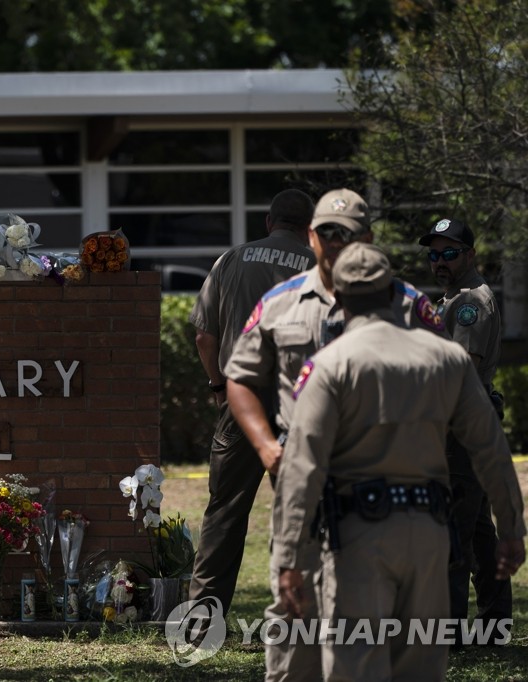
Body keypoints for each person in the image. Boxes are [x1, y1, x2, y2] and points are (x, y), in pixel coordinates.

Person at [272, 242, 525, 680]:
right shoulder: (447, 359)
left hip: (358, 535)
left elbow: (302, 468)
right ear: (394, 294)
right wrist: (512, 528)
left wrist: (292, 554)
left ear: (340, 299)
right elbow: (490, 449)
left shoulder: (330, 365)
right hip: (427, 537)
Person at [224, 188, 445, 681]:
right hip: (302, 486)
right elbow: (238, 377)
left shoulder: (407, 304)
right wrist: (265, 445)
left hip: (385, 491)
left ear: (367, 238)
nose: (335, 241)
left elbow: (448, 377)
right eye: (326, 232)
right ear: (310, 236)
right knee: (295, 620)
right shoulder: (280, 303)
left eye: (346, 234)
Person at [186, 188, 315, 617]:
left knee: (224, 510)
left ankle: (202, 620)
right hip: (302, 404)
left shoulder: (230, 260)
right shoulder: (321, 267)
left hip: (241, 403)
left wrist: (219, 387)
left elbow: (204, 335)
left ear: (268, 222)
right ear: (309, 227)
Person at [418, 218, 510, 638]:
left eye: (449, 253)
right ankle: (493, 624)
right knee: (475, 527)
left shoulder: (470, 301)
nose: (439, 261)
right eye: (434, 254)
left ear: (469, 255)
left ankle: (449, 631)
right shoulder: (453, 297)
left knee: (452, 527)